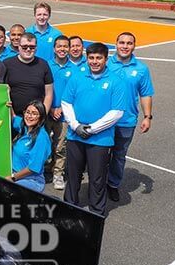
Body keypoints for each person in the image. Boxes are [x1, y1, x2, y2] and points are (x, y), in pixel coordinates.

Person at [61, 42, 125, 216]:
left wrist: (92, 129)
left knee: (97, 178)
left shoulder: (116, 81)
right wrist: (75, 125)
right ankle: (70, 205)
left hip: (100, 139)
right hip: (75, 135)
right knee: (73, 174)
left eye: (98, 58)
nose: (94, 61)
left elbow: (116, 112)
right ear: (87, 58)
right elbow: (66, 102)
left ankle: (96, 211)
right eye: (91, 58)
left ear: (106, 59)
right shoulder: (77, 77)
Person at [105, 32, 154, 202]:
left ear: (134, 46)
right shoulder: (105, 63)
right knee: (100, 154)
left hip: (127, 121)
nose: (125, 46)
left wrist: (148, 117)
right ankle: (97, 184)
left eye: (129, 43)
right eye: (122, 42)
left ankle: (112, 185)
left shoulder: (141, 69)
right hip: (104, 121)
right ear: (116, 44)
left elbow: (146, 94)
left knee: (119, 155)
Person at [47, 35, 74, 190]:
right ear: (54, 49)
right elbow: (43, 88)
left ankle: (58, 174)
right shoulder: (47, 66)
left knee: (60, 146)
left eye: (65, 46)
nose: (62, 49)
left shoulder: (75, 70)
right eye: (59, 46)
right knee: (44, 142)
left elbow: (74, 93)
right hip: (47, 112)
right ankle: (44, 168)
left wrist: (61, 109)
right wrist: (50, 108)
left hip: (64, 115)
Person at [4, 32, 53, 116]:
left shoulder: (43, 64)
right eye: (24, 47)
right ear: (19, 47)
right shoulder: (7, 64)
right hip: (13, 117)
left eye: (32, 47)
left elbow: (49, 94)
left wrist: (42, 115)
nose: (28, 49)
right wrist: (13, 116)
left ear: (36, 48)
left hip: (36, 118)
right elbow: (4, 92)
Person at [9, 100, 52, 192]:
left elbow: (33, 168)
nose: (29, 116)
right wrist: (7, 99)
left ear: (41, 117)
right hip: (15, 175)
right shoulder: (24, 127)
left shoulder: (42, 138)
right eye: (27, 112)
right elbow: (13, 117)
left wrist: (12, 178)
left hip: (31, 180)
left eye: (34, 114)